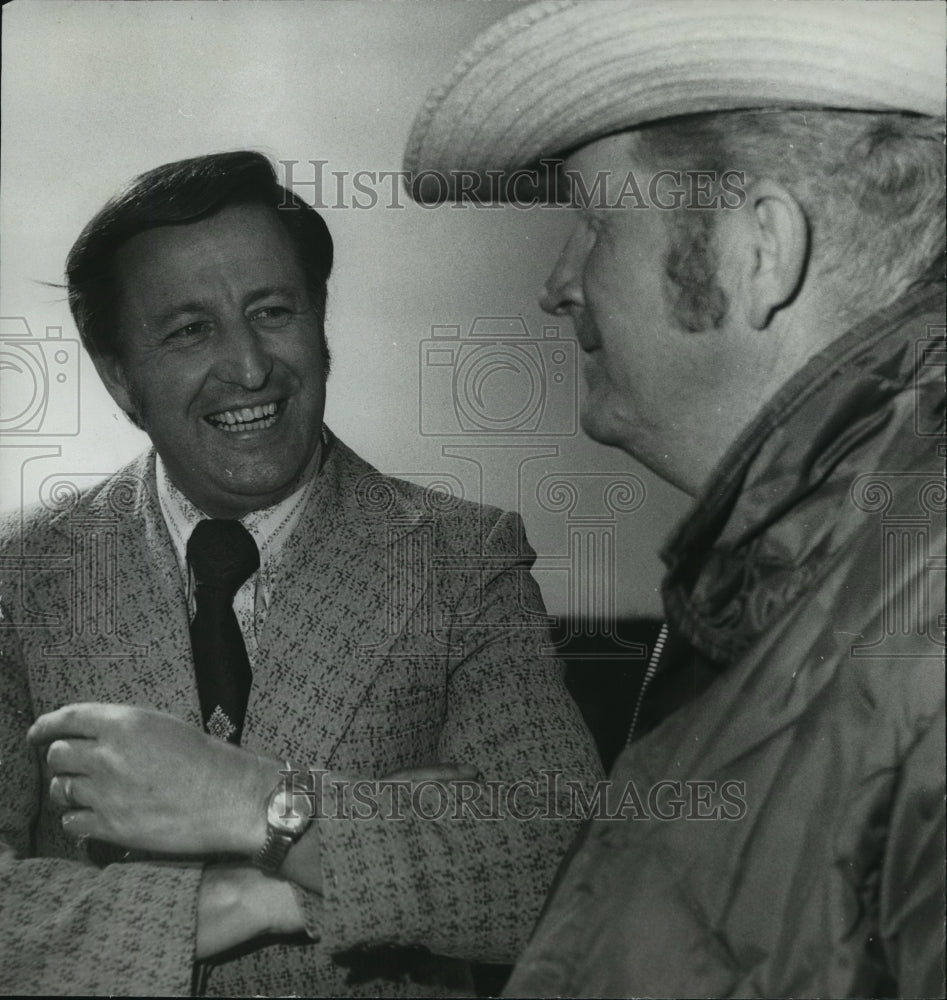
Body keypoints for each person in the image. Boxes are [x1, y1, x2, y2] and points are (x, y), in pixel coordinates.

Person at [403, 1, 946, 996]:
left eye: (595, 222)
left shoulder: (910, 608)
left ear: (757, 252)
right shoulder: (809, 576)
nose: (557, 284)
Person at [0, 150, 601, 996]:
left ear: (320, 324)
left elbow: (569, 862)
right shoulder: (20, 577)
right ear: (118, 380)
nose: (249, 368)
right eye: (189, 330)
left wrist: (251, 801)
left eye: (272, 310)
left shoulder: (462, 561)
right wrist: (263, 893)